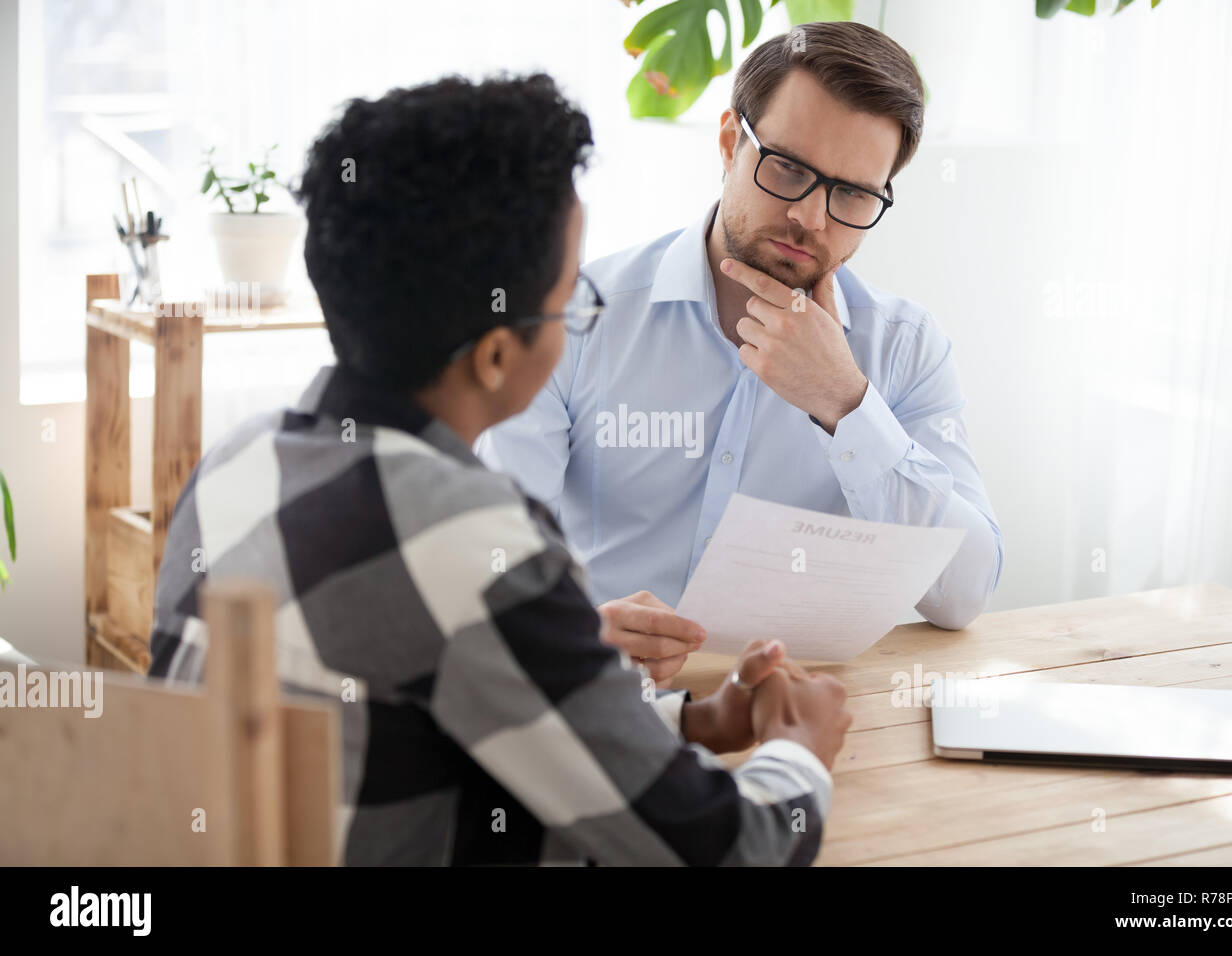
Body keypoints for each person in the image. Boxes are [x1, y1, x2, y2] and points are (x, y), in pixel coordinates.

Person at [147, 73, 850, 865]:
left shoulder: (230, 467)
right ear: (494, 355)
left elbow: (411, 729)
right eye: (570, 296)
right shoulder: (479, 545)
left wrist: (691, 723)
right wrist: (800, 750)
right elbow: (729, 853)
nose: (583, 313)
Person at [479, 22, 1004, 684]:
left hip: (800, 721)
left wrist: (846, 403)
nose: (812, 218)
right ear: (730, 142)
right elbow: (490, 556)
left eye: (851, 194)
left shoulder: (904, 347)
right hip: (601, 703)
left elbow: (963, 594)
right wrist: (568, 627)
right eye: (788, 168)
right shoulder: (578, 316)